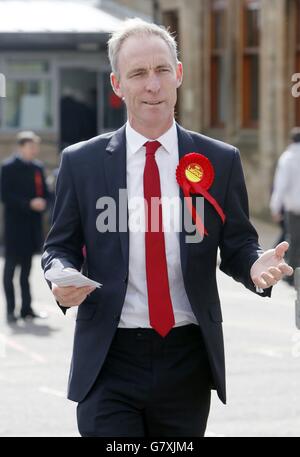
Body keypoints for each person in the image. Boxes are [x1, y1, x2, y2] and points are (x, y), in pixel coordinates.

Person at [42, 18, 293, 437]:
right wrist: (59, 278)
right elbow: (59, 246)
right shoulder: (81, 162)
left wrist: (253, 265)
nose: (152, 85)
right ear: (117, 84)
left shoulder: (220, 159)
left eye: (161, 70)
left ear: (178, 73)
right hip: (108, 357)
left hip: (186, 359)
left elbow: (238, 245)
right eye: (138, 74)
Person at [1, 131, 49, 323]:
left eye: (35, 147)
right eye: (31, 147)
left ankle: (26, 309)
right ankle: (10, 310)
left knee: (27, 271)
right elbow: (5, 196)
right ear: (21, 147)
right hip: (14, 227)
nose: (34, 151)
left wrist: (44, 202)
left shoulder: (37, 168)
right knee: (10, 271)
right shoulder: (8, 167)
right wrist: (28, 203)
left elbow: (46, 192)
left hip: (32, 227)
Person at [270, 127, 300, 286]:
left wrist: (275, 207)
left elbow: (280, 185)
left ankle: (292, 273)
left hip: (293, 206)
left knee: (293, 240)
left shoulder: (287, 158)